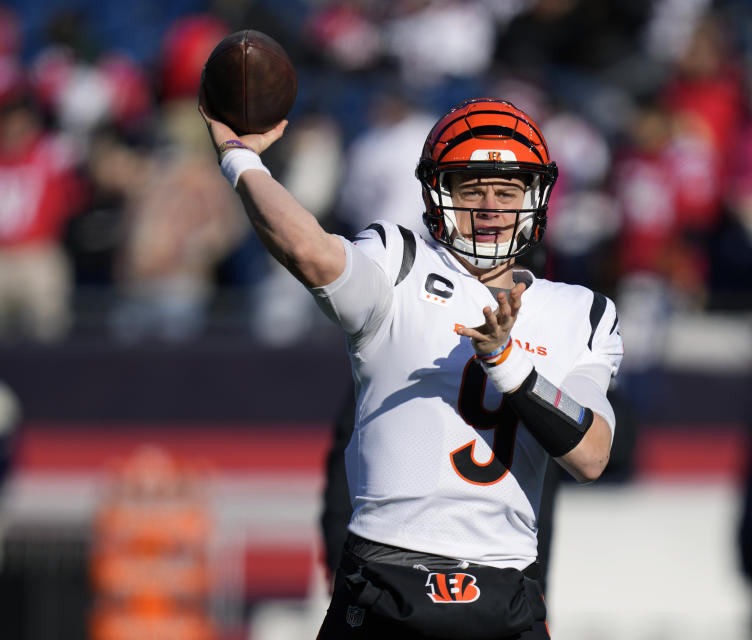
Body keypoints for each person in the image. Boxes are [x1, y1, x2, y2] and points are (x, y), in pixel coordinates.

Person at [198, 96, 623, 639]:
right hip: (385, 580)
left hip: (506, 592)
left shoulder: (579, 311)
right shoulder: (399, 261)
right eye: (472, 188)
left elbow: (591, 454)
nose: (491, 206)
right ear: (437, 194)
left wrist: (508, 364)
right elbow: (310, 253)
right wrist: (242, 160)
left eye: (507, 190)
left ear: (534, 198)